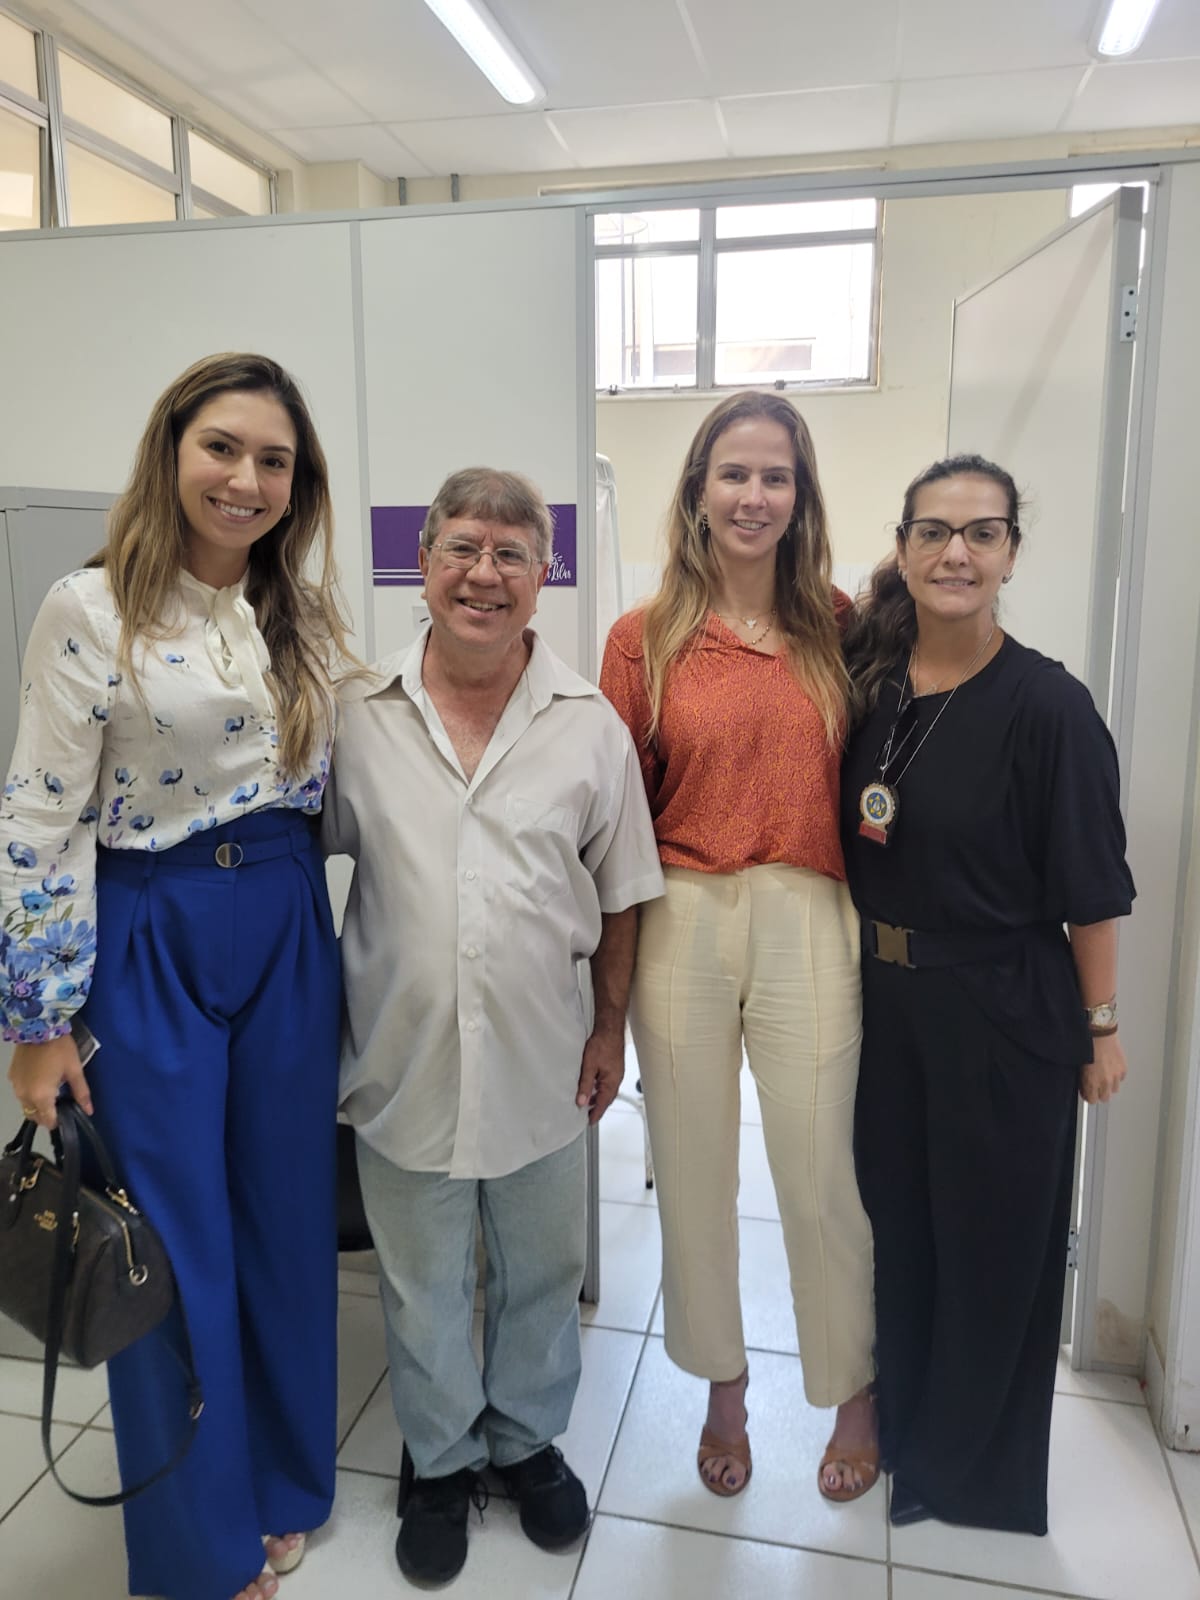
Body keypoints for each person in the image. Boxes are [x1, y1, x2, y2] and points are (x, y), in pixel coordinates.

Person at [2, 353, 354, 1600]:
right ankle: (200, 1549)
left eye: (274, 460)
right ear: (171, 451)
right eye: (223, 447)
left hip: (287, 920)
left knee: (288, 1218)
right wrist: (38, 1018)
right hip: (150, 925)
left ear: (297, 483)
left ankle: (285, 1481)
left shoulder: (299, 611)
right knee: (172, 1238)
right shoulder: (88, 607)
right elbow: (38, 818)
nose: (246, 477)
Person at [323, 467, 663, 1587]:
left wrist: (609, 1028)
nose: (485, 574)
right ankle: (439, 1458)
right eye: (463, 548)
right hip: (401, 1057)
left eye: (511, 554)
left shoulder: (589, 727)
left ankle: (525, 1441)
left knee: (542, 1270)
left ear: (542, 574)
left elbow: (622, 893)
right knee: (420, 1282)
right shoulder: (354, 716)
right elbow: (287, 866)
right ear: (423, 563)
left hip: (544, 1057)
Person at [841, 453, 1135, 1534]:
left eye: (981, 533)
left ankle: (970, 1469)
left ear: (1012, 552)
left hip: (1004, 1011)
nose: (956, 552)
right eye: (933, 531)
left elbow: (1092, 890)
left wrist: (1101, 1028)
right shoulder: (873, 685)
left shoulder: (1049, 707)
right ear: (904, 548)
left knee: (993, 1245)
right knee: (903, 1228)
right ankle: (906, 1429)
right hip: (885, 1004)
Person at [600, 391, 879, 1503]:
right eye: (734, 473)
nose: (754, 496)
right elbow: (615, 821)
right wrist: (605, 993)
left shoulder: (842, 628)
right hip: (681, 912)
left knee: (819, 1176)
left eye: (776, 476)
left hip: (811, 909)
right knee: (693, 1172)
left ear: (800, 496)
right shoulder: (642, 639)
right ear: (698, 490)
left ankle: (851, 1390)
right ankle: (723, 1385)